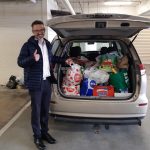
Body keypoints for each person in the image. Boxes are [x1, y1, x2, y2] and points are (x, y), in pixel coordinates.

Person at [17, 20, 65, 150]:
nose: (39, 32)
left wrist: (65, 60)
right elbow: (20, 62)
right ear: (32, 31)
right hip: (35, 83)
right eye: (36, 30)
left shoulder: (48, 44)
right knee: (36, 111)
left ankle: (44, 132)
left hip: (46, 82)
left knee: (45, 110)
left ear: (44, 30)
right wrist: (33, 58)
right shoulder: (27, 46)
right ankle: (37, 136)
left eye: (41, 30)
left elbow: (52, 59)